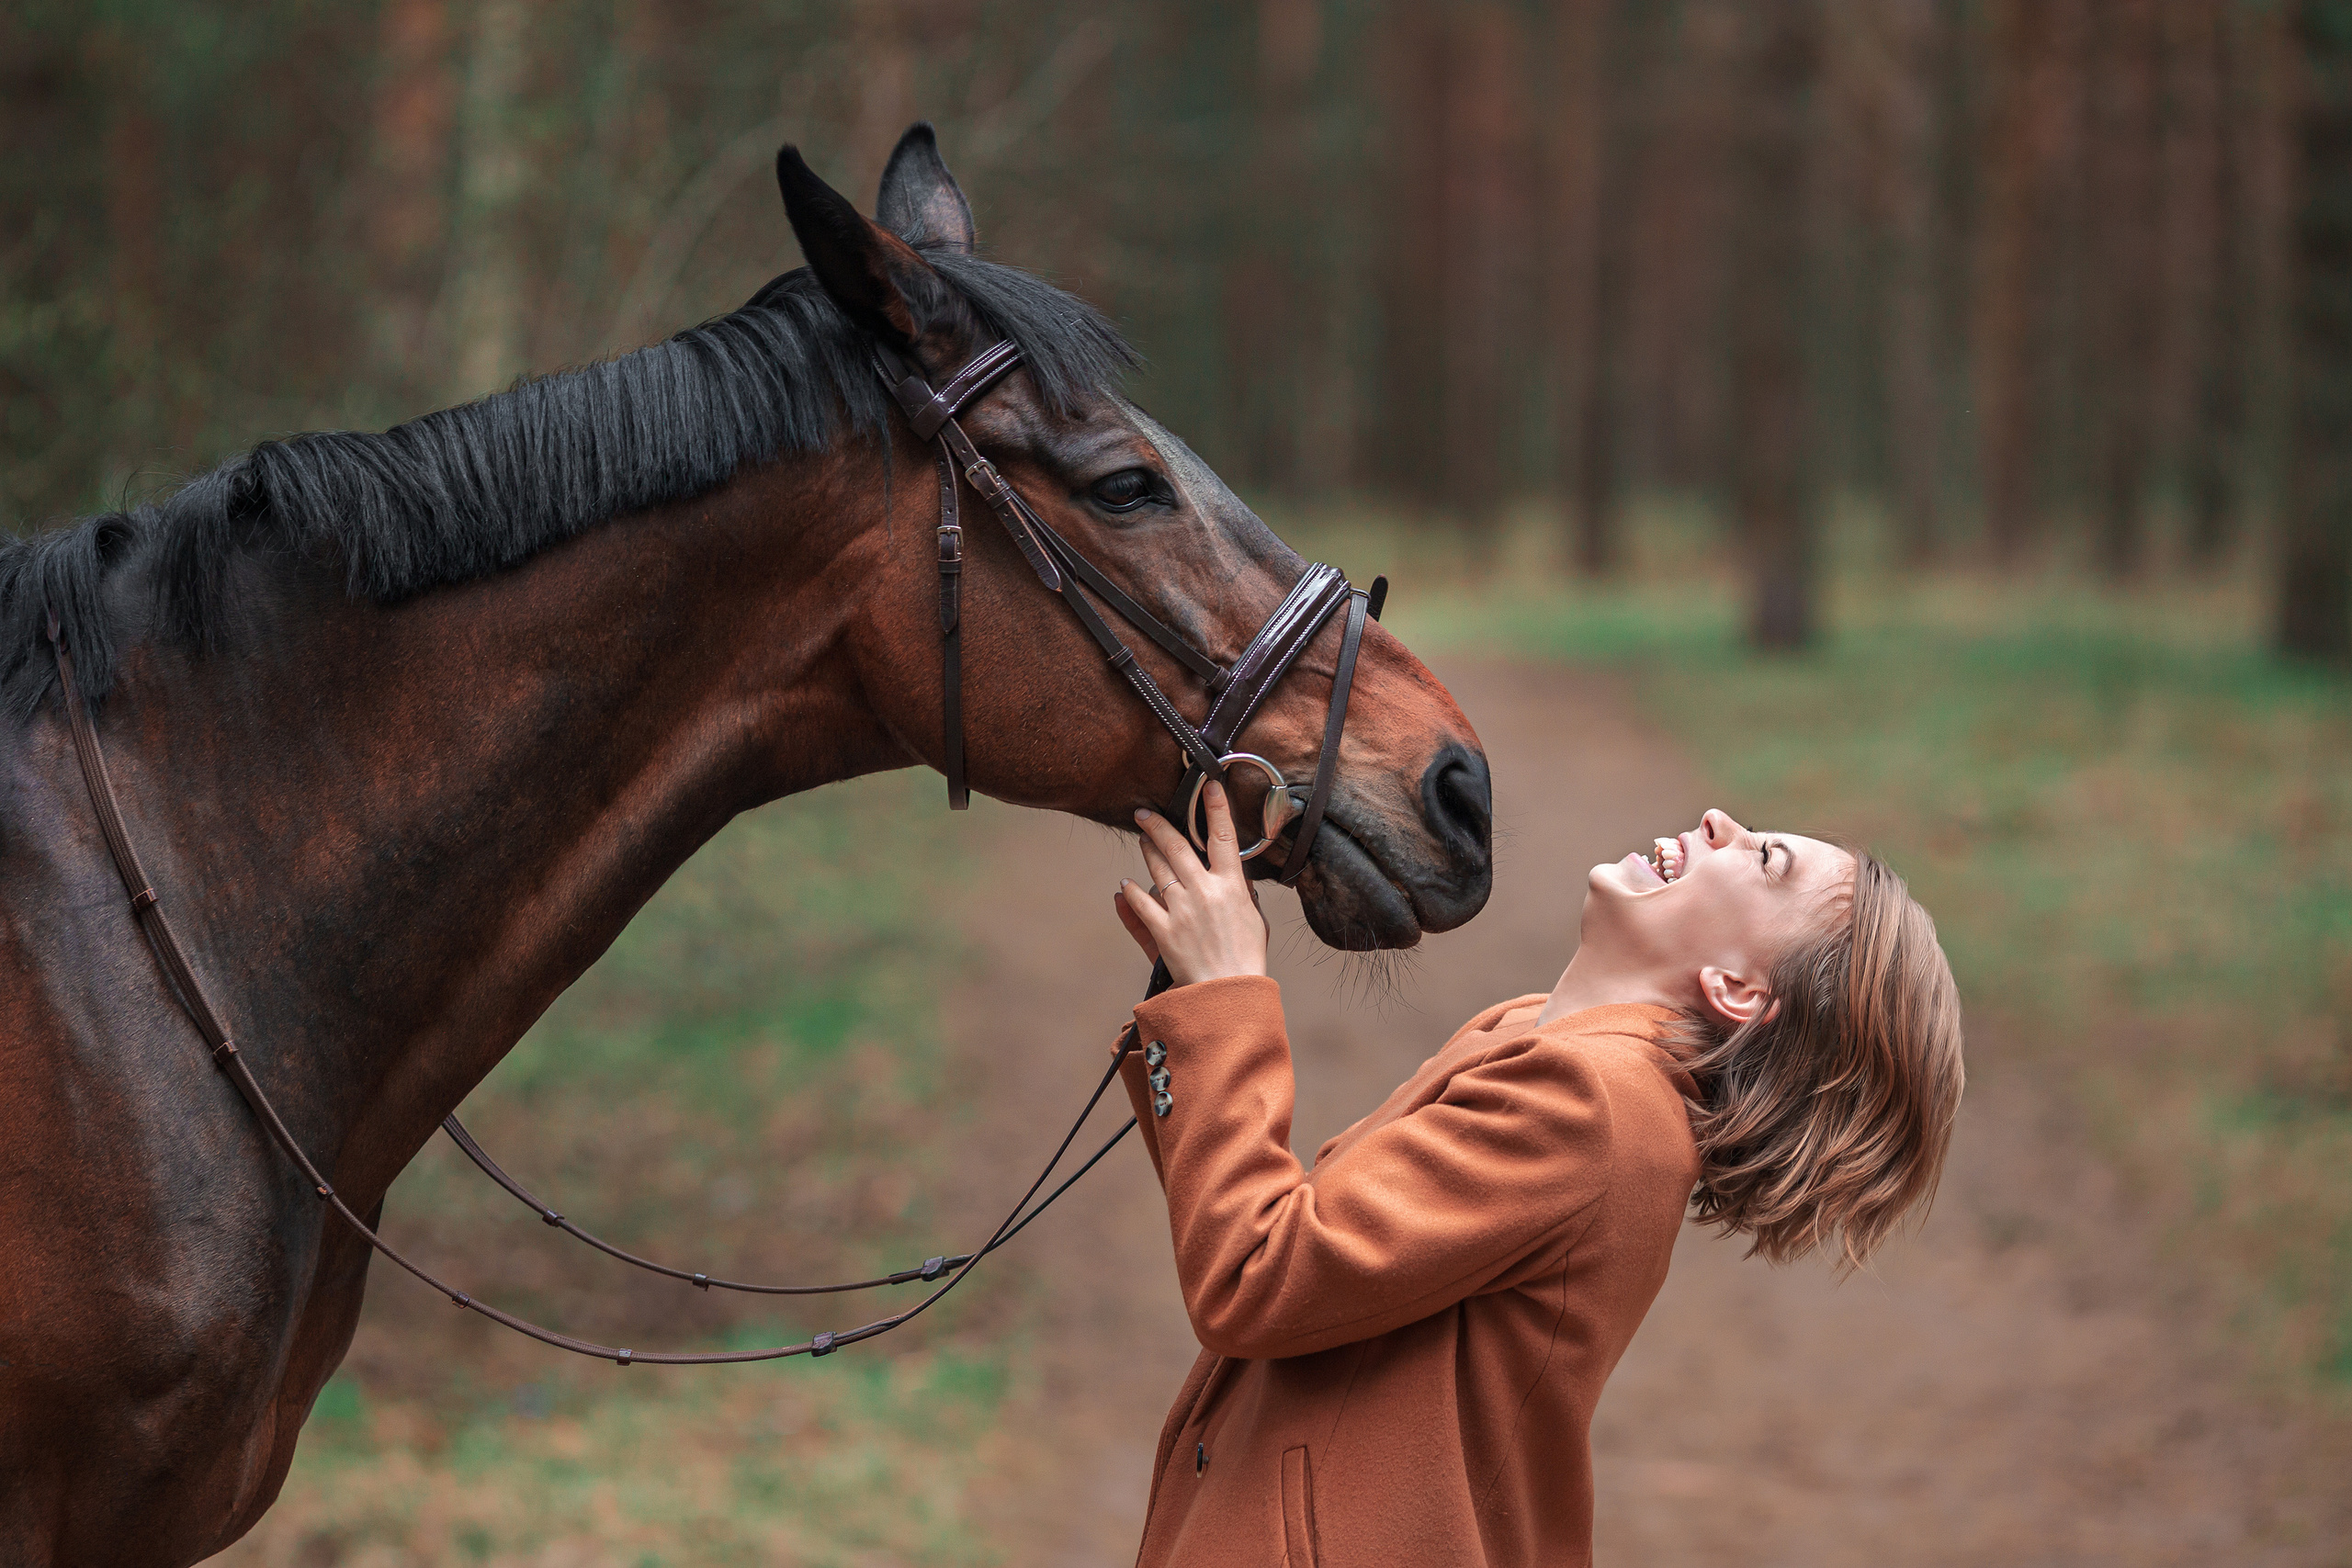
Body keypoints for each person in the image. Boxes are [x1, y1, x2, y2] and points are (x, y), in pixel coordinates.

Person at [1108, 782, 1963, 1568]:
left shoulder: (1594, 1103)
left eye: (1765, 859)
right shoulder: (1536, 1039)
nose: (1720, 822)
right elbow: (1306, 1244)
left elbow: (1259, 1270)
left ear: (1737, 987)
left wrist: (1223, 997)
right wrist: (1195, 1011)